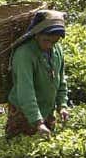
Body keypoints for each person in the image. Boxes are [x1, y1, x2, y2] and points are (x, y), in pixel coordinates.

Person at [6, 10, 69, 138]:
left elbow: (60, 80)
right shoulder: (24, 54)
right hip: (23, 112)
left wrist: (62, 105)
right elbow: (25, 90)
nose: (49, 45)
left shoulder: (57, 51)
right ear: (36, 34)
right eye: (46, 40)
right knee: (20, 150)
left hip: (47, 110)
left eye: (54, 42)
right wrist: (38, 122)